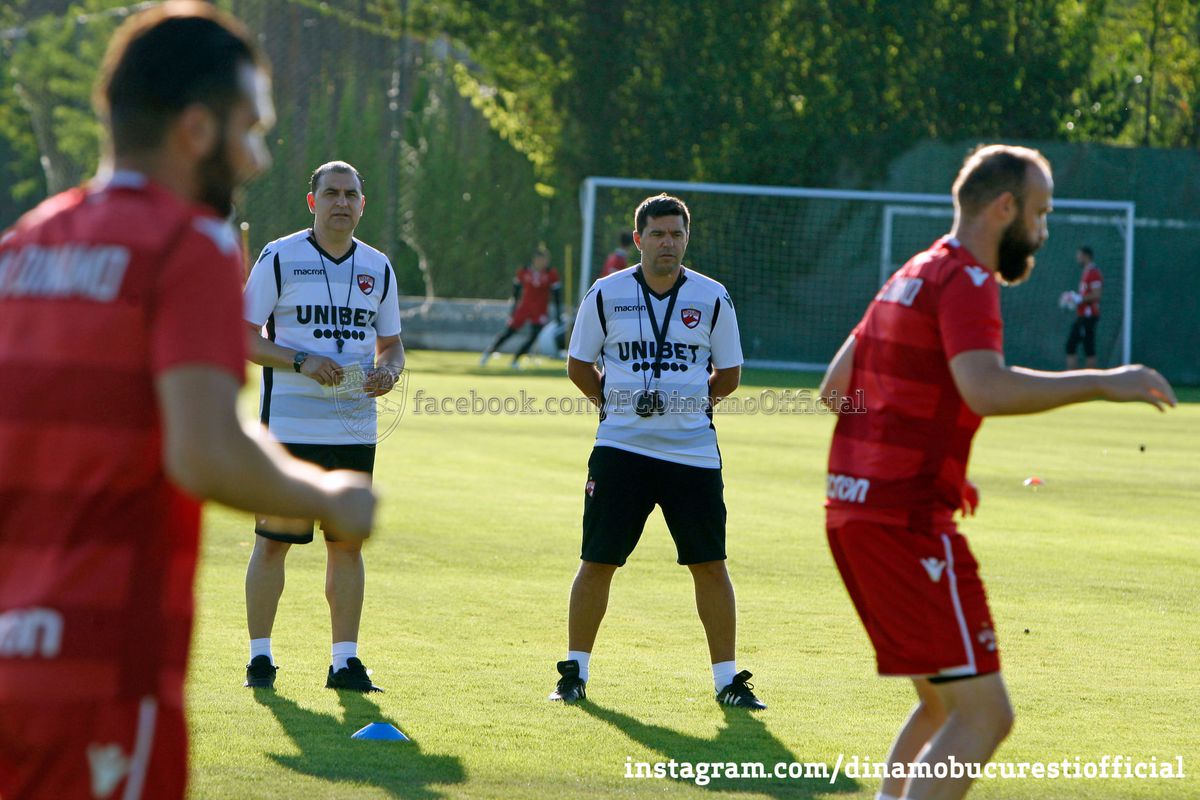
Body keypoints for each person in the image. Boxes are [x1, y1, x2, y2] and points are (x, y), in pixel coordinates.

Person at [0, 5, 378, 799]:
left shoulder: (27, 244)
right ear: (198, 129)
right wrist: (330, 495)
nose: (259, 155)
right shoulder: (189, 242)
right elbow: (205, 451)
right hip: (96, 663)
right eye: (252, 127)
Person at [819, 145, 1175, 800]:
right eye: (1039, 213)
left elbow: (836, 387)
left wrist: (923, 446)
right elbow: (984, 388)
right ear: (1004, 207)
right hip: (906, 523)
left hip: (851, 513)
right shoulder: (968, 280)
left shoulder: (912, 271)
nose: (1043, 230)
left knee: (940, 705)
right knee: (987, 715)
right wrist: (1105, 381)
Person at [550, 193, 766, 710]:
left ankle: (727, 681)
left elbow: (730, 376)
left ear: (687, 239)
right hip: (620, 447)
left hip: (692, 453)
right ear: (638, 237)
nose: (667, 242)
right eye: (658, 233)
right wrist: (617, 405)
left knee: (710, 564)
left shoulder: (713, 297)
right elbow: (579, 365)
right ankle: (573, 674)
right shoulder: (606, 293)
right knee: (597, 560)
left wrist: (686, 406)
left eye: (676, 234)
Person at [242, 160, 405, 693]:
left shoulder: (378, 267)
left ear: (363, 204)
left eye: (350, 194)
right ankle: (260, 659)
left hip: (354, 427)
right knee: (274, 542)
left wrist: (390, 371)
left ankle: (345, 662)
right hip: (289, 427)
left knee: (348, 546)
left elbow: (392, 343)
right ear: (312, 202)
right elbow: (241, 338)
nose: (341, 202)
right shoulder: (279, 257)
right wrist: (299, 361)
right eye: (331, 193)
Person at [479, 246, 562, 369]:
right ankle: (488, 353)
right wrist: (513, 308)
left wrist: (558, 313)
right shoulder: (524, 271)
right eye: (541, 259)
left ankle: (516, 359)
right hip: (524, 308)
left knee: (534, 335)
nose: (543, 262)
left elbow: (557, 294)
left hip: (540, 310)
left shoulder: (551, 274)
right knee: (509, 332)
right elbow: (516, 291)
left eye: (546, 260)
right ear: (535, 259)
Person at [1061, 245, 1103, 369]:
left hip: (1088, 316)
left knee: (1081, 347)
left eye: (1079, 256)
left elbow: (1097, 294)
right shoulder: (1087, 272)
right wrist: (1075, 298)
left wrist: (1078, 298)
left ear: (1086, 256)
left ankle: (1080, 381)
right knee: (1077, 346)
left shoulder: (1094, 273)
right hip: (1083, 315)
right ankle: (1079, 380)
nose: (1078, 258)